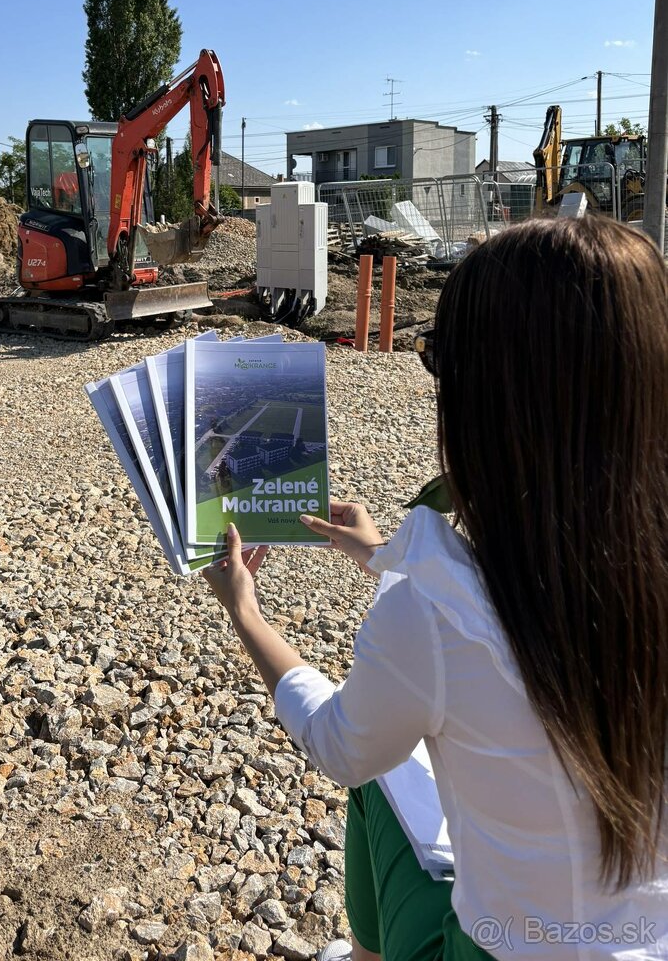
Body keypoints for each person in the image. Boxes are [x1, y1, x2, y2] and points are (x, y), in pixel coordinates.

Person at [205, 216, 668, 961]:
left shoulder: (428, 613)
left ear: (485, 401)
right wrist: (382, 555)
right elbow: (535, 603)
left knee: (380, 784)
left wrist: (247, 613)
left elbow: (340, 745)